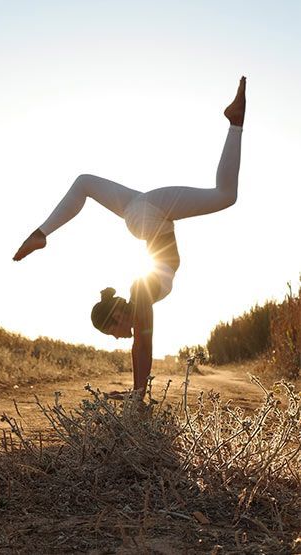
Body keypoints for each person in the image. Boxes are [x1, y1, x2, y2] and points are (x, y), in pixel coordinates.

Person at [13, 76, 246, 401]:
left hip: (150, 216)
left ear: (117, 317)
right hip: (144, 211)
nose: (118, 338)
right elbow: (141, 340)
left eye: (113, 332)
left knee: (225, 196)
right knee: (85, 183)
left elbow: (143, 342)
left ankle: (236, 122)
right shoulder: (140, 291)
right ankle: (41, 233)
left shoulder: (141, 290)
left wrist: (136, 395)